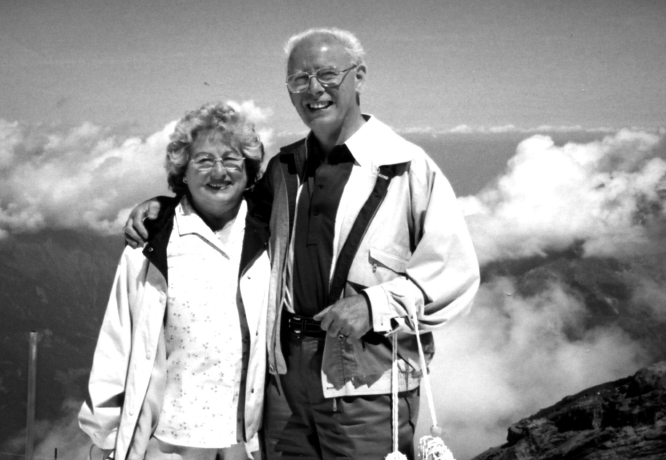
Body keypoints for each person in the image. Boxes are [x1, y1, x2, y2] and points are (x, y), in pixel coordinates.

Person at [124, 28, 480, 460]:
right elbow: (227, 213)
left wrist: (375, 304)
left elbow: (455, 270)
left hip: (367, 380)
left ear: (359, 77)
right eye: (299, 80)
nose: (313, 90)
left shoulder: (406, 167)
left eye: (327, 75)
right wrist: (166, 206)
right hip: (284, 378)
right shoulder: (284, 167)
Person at [79, 102, 270, 460]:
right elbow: (116, 342)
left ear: (249, 171)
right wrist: (106, 437)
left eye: (231, 160)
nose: (219, 172)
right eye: (203, 160)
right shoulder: (150, 244)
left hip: (246, 443)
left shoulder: (270, 240)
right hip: (168, 443)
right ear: (182, 171)